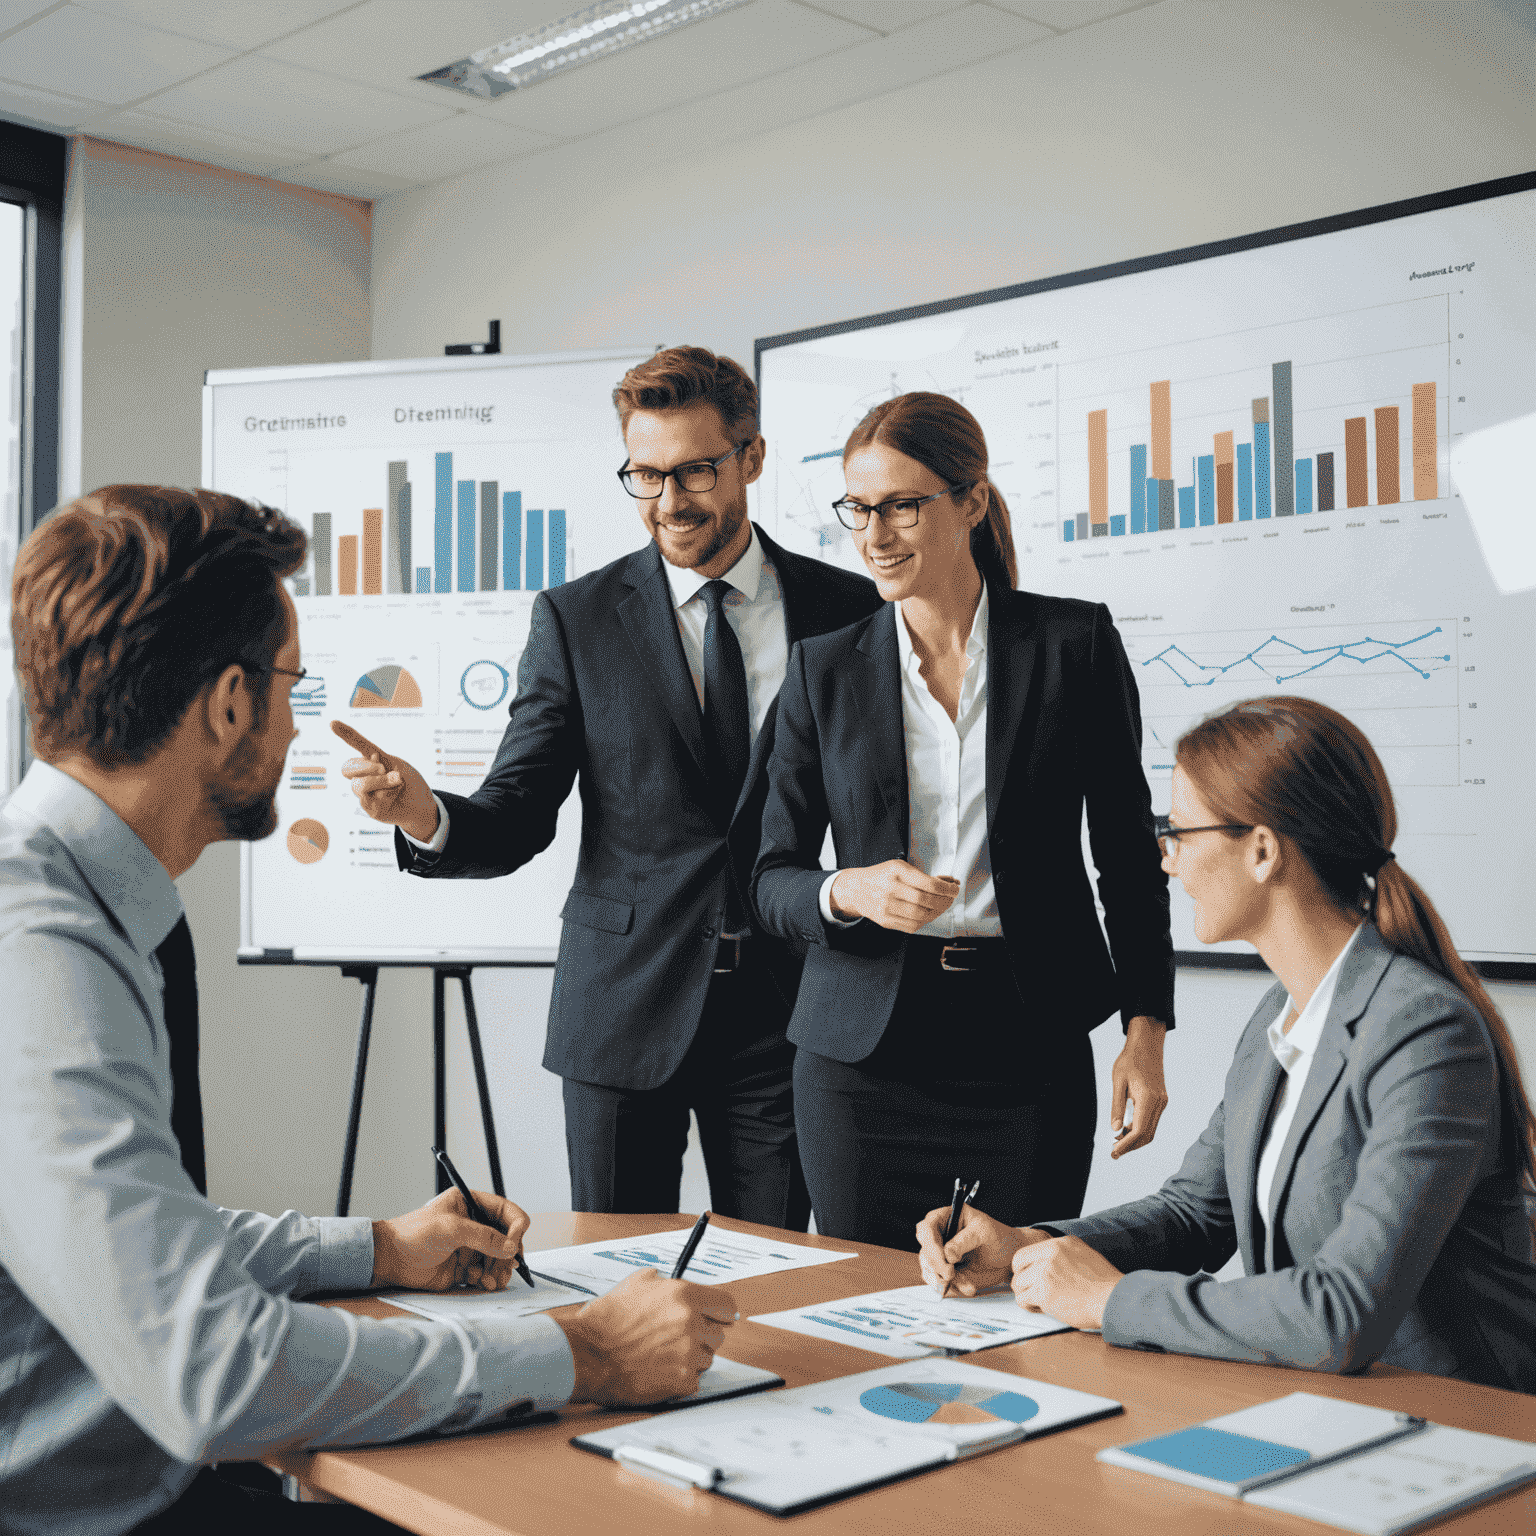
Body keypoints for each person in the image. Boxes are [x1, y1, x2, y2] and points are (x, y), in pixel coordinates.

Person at [0, 486, 739, 1535]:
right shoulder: (38, 948)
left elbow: (129, 1243)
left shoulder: (72, 901)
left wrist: (380, 1248)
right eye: (292, 688)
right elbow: (211, 1371)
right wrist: (585, 1352)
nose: (298, 723)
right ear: (225, 704)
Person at [339, 348, 881, 1223]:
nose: (668, 502)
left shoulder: (848, 608)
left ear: (752, 457)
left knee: (778, 1280)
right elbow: (519, 810)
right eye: (645, 475)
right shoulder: (576, 619)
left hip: (790, 1012)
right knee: (613, 1280)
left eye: (696, 471)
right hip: (623, 1006)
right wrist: (423, 814)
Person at [917, 696, 1536, 1391]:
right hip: (1326, 1403)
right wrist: (1030, 1246)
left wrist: (1108, 1299)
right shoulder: (1283, 1012)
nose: (1167, 861)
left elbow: (1343, 1312)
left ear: (1263, 851)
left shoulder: (1426, 1034)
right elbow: (1196, 1214)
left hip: (1467, 1424)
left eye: (1178, 831)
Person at [750, 392, 1175, 1250]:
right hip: (859, 1064)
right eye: (858, 509)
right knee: (862, 1313)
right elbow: (768, 880)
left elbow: (1128, 858)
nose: (874, 535)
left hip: (1031, 1046)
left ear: (971, 501)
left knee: (1025, 1311)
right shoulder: (822, 670)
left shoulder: (1073, 645)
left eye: (902, 506)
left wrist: (1146, 1031)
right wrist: (848, 890)